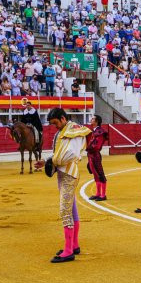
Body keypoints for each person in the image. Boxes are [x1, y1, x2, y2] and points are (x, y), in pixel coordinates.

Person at [36, 108, 91, 263]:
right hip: (64, 173)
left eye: (55, 123)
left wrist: (51, 161)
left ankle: (68, 251)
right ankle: (74, 245)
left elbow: (70, 155)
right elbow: (59, 153)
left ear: (62, 118)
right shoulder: (65, 131)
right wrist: (46, 160)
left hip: (69, 174)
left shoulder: (73, 131)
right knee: (71, 208)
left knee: (65, 210)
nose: (55, 126)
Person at [86, 115, 109, 201]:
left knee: (100, 174)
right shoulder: (95, 131)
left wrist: (88, 148)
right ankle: (98, 193)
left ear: (96, 121)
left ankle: (103, 195)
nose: (91, 120)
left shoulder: (100, 132)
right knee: (96, 174)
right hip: (91, 155)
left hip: (95, 155)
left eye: (92, 119)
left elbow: (97, 146)